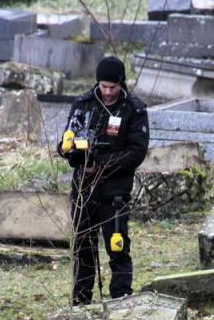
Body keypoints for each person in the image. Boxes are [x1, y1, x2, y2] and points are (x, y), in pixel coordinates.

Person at [56, 56, 149, 305]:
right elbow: (67, 138)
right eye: (103, 86)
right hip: (84, 191)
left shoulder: (134, 110)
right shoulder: (82, 105)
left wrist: (102, 166)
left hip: (114, 191)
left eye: (112, 87)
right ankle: (81, 301)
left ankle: (121, 299)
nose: (107, 92)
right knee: (83, 248)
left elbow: (137, 151)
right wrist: (69, 151)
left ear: (121, 84)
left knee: (117, 246)